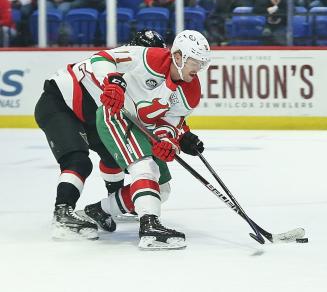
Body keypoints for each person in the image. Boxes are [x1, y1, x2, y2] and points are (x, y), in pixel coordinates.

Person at [78, 30, 209, 250]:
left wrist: (168, 141)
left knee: (162, 188)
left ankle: (98, 211)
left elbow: (169, 123)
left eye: (203, 63)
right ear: (178, 57)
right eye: (195, 61)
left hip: (146, 130)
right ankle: (150, 226)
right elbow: (102, 58)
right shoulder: (150, 57)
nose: (199, 68)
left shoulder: (191, 92)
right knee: (144, 167)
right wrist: (111, 83)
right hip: (118, 115)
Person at [34, 30, 168, 240]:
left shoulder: (139, 74)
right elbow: (104, 71)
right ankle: (62, 213)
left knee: (113, 156)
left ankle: (110, 205)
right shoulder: (119, 62)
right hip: (59, 105)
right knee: (78, 161)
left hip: (90, 114)